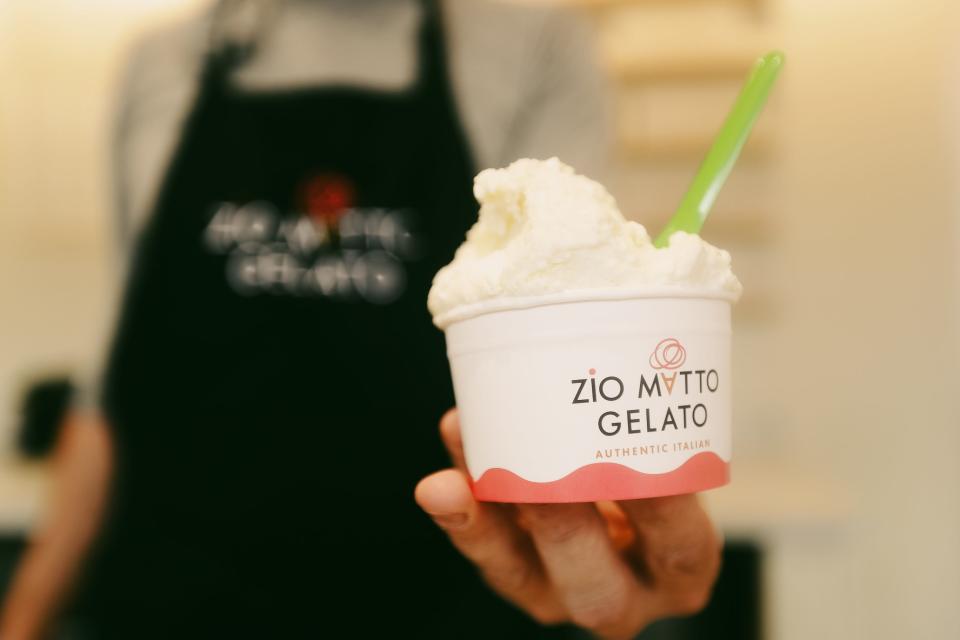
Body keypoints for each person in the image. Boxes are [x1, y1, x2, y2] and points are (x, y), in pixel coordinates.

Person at [0, 1, 721, 638]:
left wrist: (606, 545)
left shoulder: (538, 48)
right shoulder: (163, 62)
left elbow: (554, 345)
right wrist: (24, 618)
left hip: (444, 603)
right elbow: (120, 380)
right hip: (176, 597)